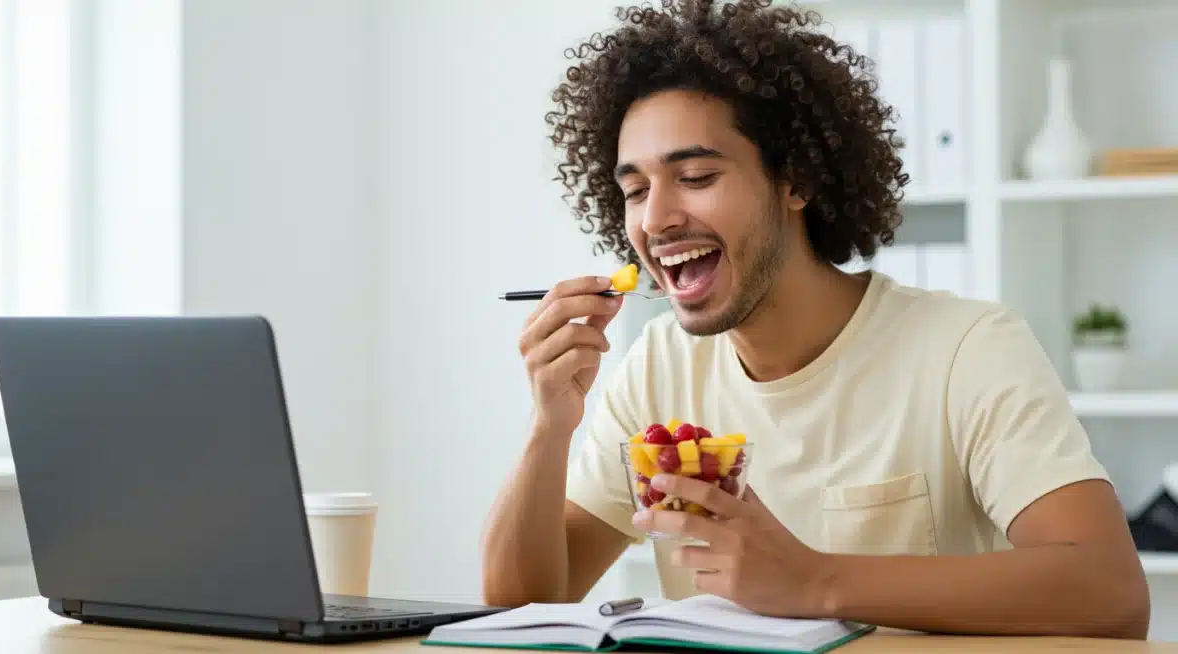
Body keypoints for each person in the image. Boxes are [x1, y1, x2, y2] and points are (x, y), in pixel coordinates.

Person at [480, 0, 1150, 639]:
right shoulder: (658, 367)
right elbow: (522, 603)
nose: (654, 219)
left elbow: (1111, 593)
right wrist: (550, 422)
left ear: (795, 180)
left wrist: (815, 581)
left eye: (696, 176)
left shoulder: (965, 349)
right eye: (634, 190)